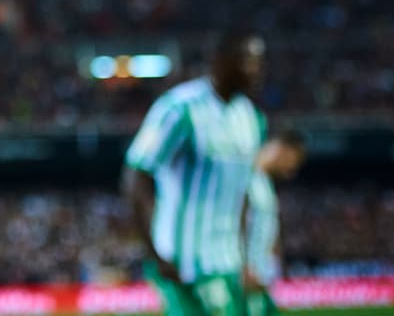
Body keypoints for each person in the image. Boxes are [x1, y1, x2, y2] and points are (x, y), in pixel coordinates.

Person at [121, 30, 268, 316]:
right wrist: (155, 253)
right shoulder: (179, 109)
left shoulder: (250, 117)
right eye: (248, 60)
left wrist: (247, 257)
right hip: (183, 263)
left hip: (229, 262)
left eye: (259, 61)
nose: (256, 69)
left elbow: (243, 194)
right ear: (220, 61)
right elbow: (135, 177)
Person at [242, 128, 308, 316]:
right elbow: (234, 225)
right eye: (295, 160)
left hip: (260, 276)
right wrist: (244, 268)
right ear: (283, 149)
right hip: (247, 275)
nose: (292, 171)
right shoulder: (246, 176)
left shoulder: (263, 183)